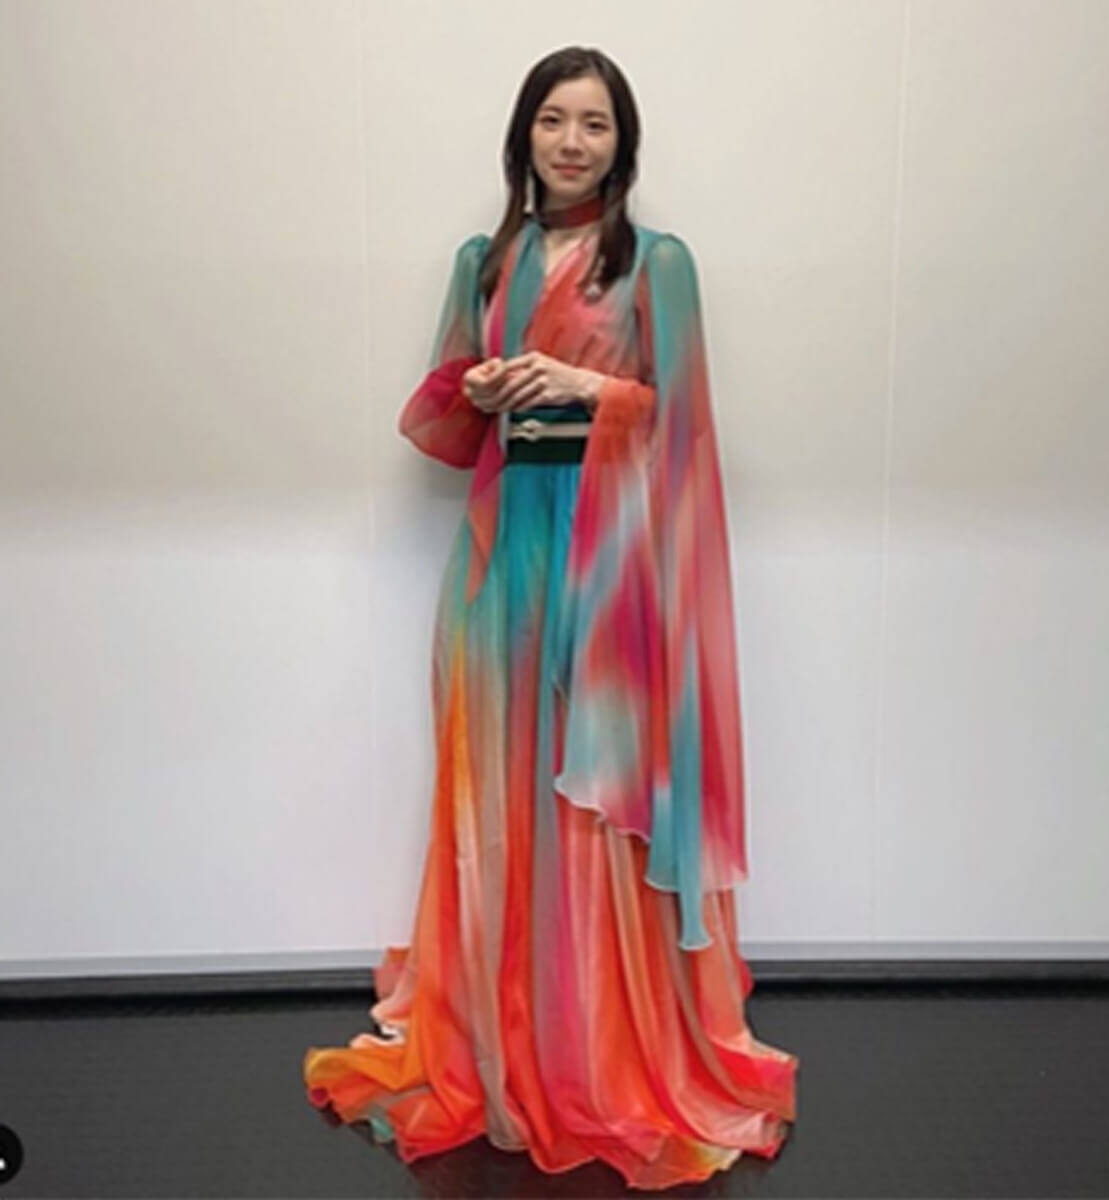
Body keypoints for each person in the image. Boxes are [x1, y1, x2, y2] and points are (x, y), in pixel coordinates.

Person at [302, 44, 798, 1191]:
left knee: (590, 795)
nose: (573, 143)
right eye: (554, 121)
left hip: (610, 559)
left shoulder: (658, 264)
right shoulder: (485, 262)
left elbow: (685, 424)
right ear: (523, 135)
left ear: (623, 146)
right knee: (502, 789)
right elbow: (442, 417)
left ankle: (605, 1043)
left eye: (596, 125)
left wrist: (587, 388)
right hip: (505, 554)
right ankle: (502, 1028)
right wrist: (476, 388)